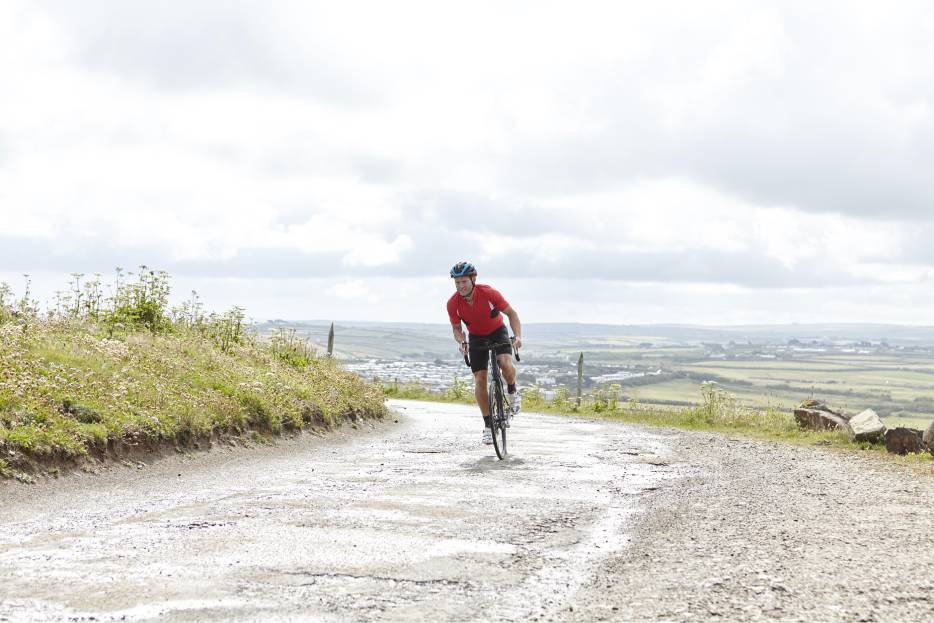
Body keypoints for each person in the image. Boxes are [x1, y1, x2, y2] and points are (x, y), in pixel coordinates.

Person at [446, 261, 523, 445]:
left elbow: (512, 314)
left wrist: (517, 336)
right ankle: (488, 425)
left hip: (498, 331)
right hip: (476, 337)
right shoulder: (453, 303)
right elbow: (457, 329)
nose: (460, 286)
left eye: (464, 281)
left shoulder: (489, 293)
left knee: (505, 363)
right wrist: (462, 341)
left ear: (473, 279)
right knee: (480, 379)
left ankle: (512, 391)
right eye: (457, 283)